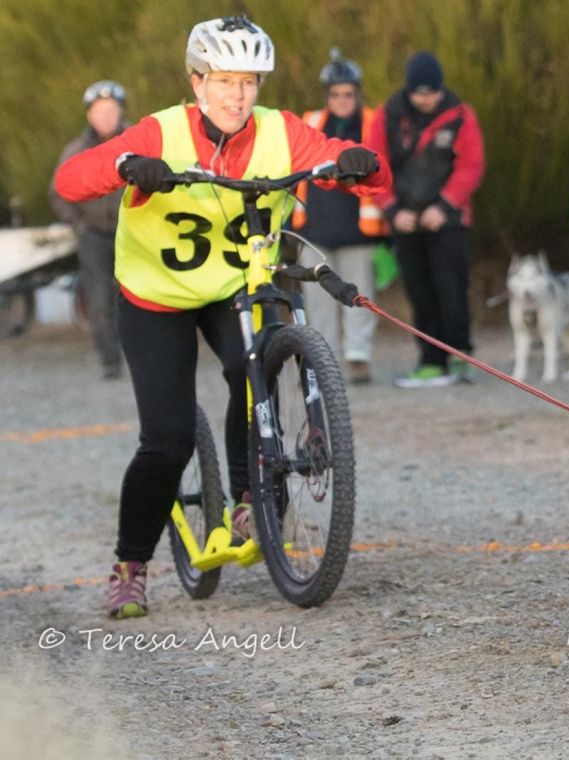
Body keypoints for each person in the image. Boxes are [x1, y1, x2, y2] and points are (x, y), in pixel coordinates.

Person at [53, 16, 390, 619]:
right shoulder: (161, 131)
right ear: (197, 80)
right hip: (157, 297)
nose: (239, 95)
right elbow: (71, 180)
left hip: (234, 289)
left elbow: (356, 168)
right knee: (167, 441)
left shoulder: (279, 131)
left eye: (251, 82)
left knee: (250, 365)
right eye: (226, 80)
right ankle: (130, 565)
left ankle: (247, 499)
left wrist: (359, 163)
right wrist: (128, 165)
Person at [368, 51, 485, 388]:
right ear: (408, 91)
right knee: (420, 292)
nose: (426, 99)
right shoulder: (388, 116)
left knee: (453, 289)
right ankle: (431, 360)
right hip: (404, 219)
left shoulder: (460, 115)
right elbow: (375, 164)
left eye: (431, 92)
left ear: (440, 88)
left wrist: (445, 206)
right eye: (419, 93)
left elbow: (471, 166)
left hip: (447, 219)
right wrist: (391, 209)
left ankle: (462, 355)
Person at [290, 49, 386, 385]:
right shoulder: (310, 121)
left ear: (358, 93)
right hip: (315, 225)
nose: (342, 100)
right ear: (326, 95)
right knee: (318, 301)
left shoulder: (374, 121)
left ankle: (359, 357)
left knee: (359, 294)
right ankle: (323, 359)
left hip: (359, 227)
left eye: (348, 94)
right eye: (335, 94)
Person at [49, 80, 130, 379]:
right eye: (100, 111)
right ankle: (110, 358)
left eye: (112, 110)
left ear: (121, 111)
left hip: (132, 233)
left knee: (135, 295)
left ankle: (138, 354)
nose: (107, 116)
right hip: (93, 234)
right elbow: (57, 192)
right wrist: (77, 223)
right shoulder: (76, 150)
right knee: (98, 299)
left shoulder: (138, 141)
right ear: (89, 115)